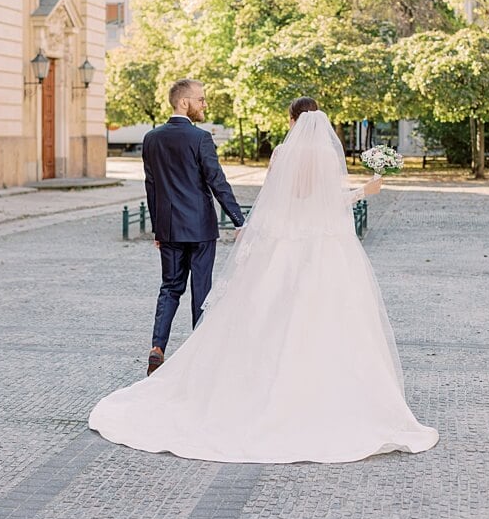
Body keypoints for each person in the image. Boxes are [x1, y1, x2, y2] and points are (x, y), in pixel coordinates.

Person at [89, 97, 439, 463]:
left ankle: (249, 387)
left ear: (292, 120)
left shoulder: (281, 155)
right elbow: (325, 204)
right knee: (332, 321)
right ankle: (326, 397)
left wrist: (248, 231)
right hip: (323, 251)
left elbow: (276, 204)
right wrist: (364, 191)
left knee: (268, 317)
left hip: (283, 249)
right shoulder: (325, 158)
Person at [141, 78, 246, 375]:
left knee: (170, 288)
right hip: (200, 228)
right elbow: (216, 182)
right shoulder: (200, 138)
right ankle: (199, 357)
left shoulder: (151, 139)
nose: (204, 104)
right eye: (200, 99)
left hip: (170, 229)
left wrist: (157, 229)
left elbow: (152, 187)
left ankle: (157, 347)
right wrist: (239, 219)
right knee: (202, 290)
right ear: (183, 102)